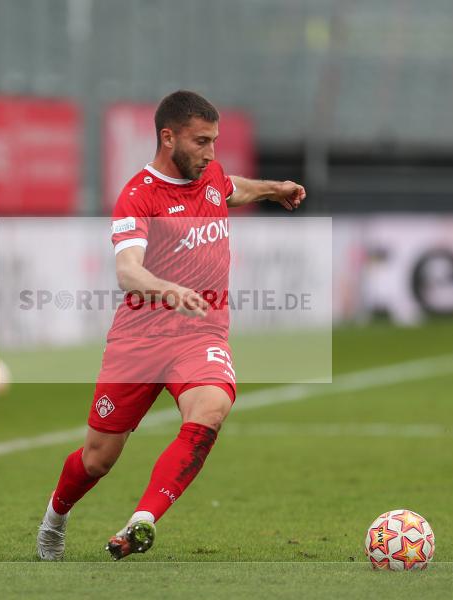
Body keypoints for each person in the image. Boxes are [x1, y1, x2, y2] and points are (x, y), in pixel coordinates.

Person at [37, 90, 305, 561]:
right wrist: (166, 288)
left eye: (214, 141)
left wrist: (271, 189)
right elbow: (127, 271)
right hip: (139, 340)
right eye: (201, 141)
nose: (210, 152)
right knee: (98, 459)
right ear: (168, 137)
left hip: (200, 334)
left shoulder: (211, 173)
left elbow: (229, 187)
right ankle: (55, 519)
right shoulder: (139, 196)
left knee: (211, 408)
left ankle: (141, 521)